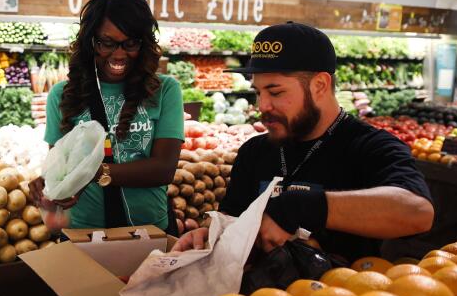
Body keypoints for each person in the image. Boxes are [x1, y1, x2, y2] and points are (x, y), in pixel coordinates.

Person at [173, 22, 434, 264]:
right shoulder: (254, 152)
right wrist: (209, 235)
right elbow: (232, 220)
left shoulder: (369, 147)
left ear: (320, 85)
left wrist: (303, 205)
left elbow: (418, 212)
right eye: (258, 92)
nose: (262, 106)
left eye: (276, 92)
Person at [29, 0, 184, 234]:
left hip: (151, 233)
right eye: (107, 43)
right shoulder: (62, 95)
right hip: (84, 234)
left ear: (144, 43)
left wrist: (90, 173)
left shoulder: (165, 90)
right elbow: (60, 162)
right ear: (90, 41)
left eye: (130, 43)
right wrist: (49, 182)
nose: (119, 54)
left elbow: (163, 169)